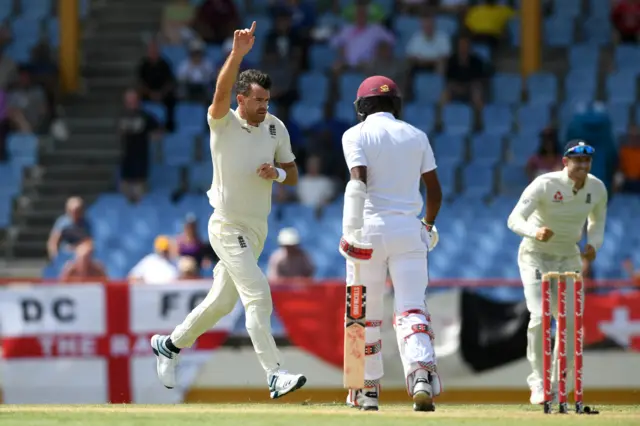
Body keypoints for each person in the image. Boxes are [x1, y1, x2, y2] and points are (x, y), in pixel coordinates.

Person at [150, 22, 307, 400]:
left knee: (222, 302)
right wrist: (237, 54)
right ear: (241, 98)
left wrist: (278, 172)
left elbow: (295, 175)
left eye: (267, 101)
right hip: (225, 224)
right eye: (257, 101)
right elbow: (219, 90)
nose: (264, 107)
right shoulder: (222, 122)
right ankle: (275, 373)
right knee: (258, 295)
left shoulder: (275, 127)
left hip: (256, 231)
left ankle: (169, 345)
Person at [339, 75, 443, 412]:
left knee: (361, 313)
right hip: (409, 232)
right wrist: (427, 225)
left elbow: (358, 181)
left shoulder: (355, 134)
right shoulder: (416, 135)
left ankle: (364, 390)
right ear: (395, 103)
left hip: (368, 229)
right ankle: (421, 376)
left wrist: (351, 231)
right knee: (412, 308)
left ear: (362, 106)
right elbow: (435, 190)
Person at [507, 140, 608, 405]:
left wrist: (593, 245)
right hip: (535, 255)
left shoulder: (597, 188)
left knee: (572, 323)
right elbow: (514, 219)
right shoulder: (545, 184)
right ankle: (538, 383)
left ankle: (557, 383)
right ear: (565, 162)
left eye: (587, 161)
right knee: (540, 316)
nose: (583, 166)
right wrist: (534, 231)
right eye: (578, 161)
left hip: (569, 257)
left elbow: (597, 223)